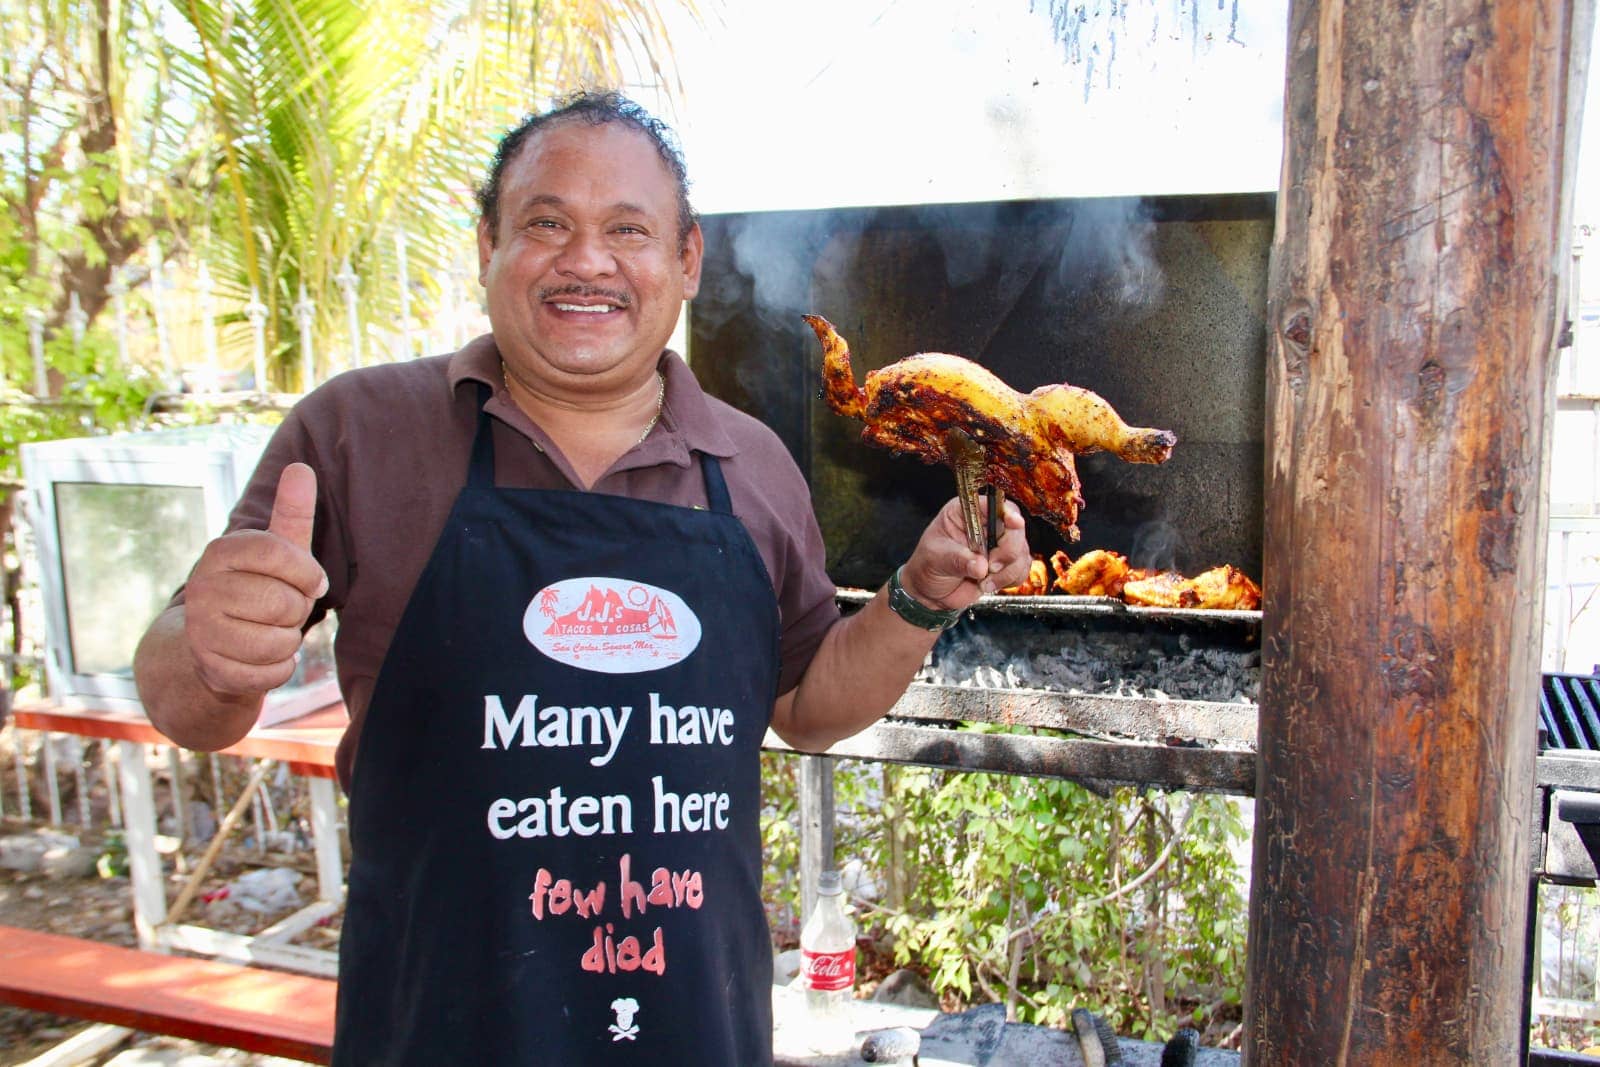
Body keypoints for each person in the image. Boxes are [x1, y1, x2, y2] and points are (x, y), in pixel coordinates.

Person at [133, 89, 1031, 1065]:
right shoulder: (355, 432)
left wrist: (915, 598)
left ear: (685, 258)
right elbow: (190, 705)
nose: (587, 261)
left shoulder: (756, 462)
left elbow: (806, 705)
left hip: (692, 1015)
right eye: (546, 222)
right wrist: (212, 654)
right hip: (439, 1021)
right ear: (488, 243)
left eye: (627, 229)